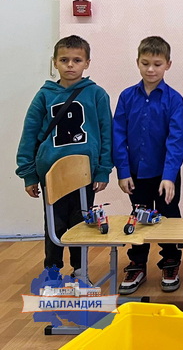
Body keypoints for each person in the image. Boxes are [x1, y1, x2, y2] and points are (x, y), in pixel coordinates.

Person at [15, 35, 112, 281]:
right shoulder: (44, 96)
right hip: (52, 174)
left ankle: (80, 269)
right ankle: (52, 271)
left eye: (77, 60)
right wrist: (28, 174)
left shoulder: (97, 94)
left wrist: (103, 170)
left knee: (82, 224)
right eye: (64, 60)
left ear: (87, 63)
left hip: (84, 174)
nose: (70, 65)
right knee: (54, 225)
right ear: (55, 62)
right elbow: (29, 134)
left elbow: (106, 134)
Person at [113, 36, 183, 295]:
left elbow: (176, 140)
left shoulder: (174, 99)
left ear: (168, 64)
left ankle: (170, 261)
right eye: (145, 63)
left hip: (165, 174)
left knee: (168, 217)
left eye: (157, 64)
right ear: (138, 62)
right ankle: (137, 264)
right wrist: (123, 172)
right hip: (136, 173)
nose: (151, 69)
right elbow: (118, 136)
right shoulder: (126, 97)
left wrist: (169, 176)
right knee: (139, 217)